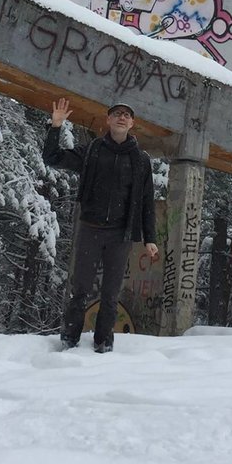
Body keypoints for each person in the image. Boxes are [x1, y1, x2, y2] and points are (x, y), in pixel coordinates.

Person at [44, 97, 159, 353]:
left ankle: (103, 344)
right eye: (116, 113)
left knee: (110, 294)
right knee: (80, 288)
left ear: (132, 123)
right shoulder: (93, 150)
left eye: (126, 114)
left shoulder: (140, 160)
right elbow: (52, 157)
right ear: (108, 120)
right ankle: (69, 341)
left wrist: (150, 238)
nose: (121, 117)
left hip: (121, 235)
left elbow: (146, 201)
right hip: (91, 229)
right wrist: (56, 126)